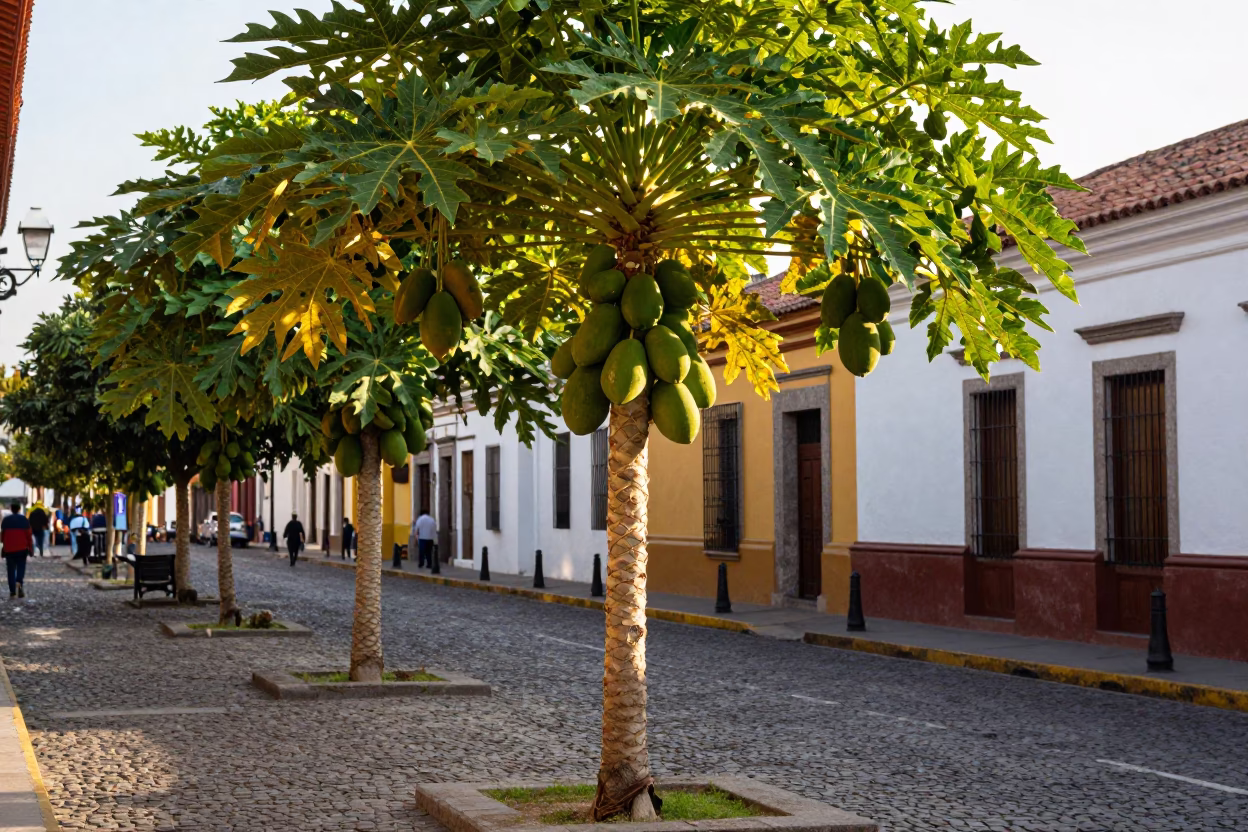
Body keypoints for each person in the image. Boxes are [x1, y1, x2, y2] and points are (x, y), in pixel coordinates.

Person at [2, 502, 33, 598]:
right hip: (22, 549)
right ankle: (19, 581)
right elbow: (29, 536)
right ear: (19, 509)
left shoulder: (6, 520)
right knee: (21, 567)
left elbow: (2, 537)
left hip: (9, 549)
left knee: (10, 570)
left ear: (11, 509)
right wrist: (31, 548)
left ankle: (12, 591)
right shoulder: (24, 520)